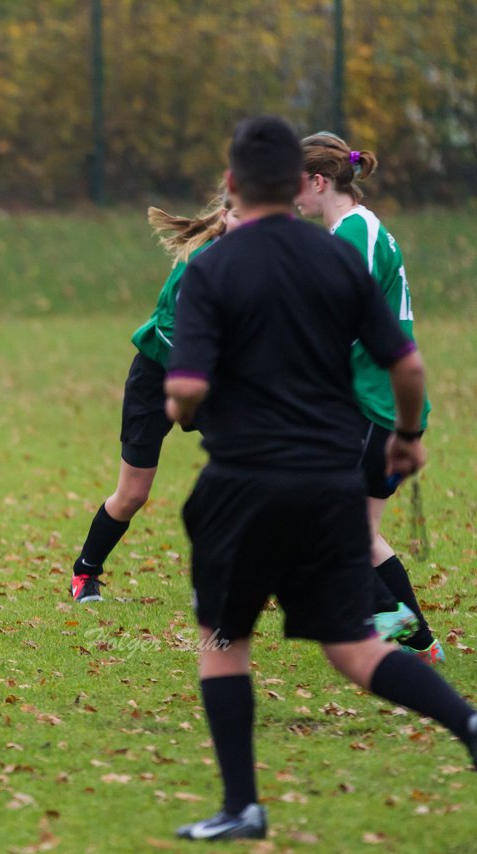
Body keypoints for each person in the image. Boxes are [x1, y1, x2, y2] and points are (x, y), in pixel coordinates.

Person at [165, 115, 477, 841]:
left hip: (242, 487)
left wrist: (191, 396)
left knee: (222, 638)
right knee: (358, 649)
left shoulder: (215, 266)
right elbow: (407, 365)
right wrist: (405, 437)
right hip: (330, 482)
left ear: (236, 184)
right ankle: (466, 721)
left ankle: (242, 805)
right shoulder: (336, 258)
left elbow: (182, 392)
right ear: (294, 182)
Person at [295, 131, 442, 662]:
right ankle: (419, 644)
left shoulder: (353, 234)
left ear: (318, 181)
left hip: (374, 405)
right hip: (386, 404)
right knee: (361, 531)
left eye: (298, 187)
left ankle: (399, 628)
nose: (294, 199)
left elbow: (336, 322)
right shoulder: (363, 228)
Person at [70, 188, 240, 603]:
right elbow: (171, 332)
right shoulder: (200, 263)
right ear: (224, 215)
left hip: (215, 382)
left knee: (246, 477)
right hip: (157, 376)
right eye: (241, 216)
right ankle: (85, 572)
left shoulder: (258, 263)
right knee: (133, 494)